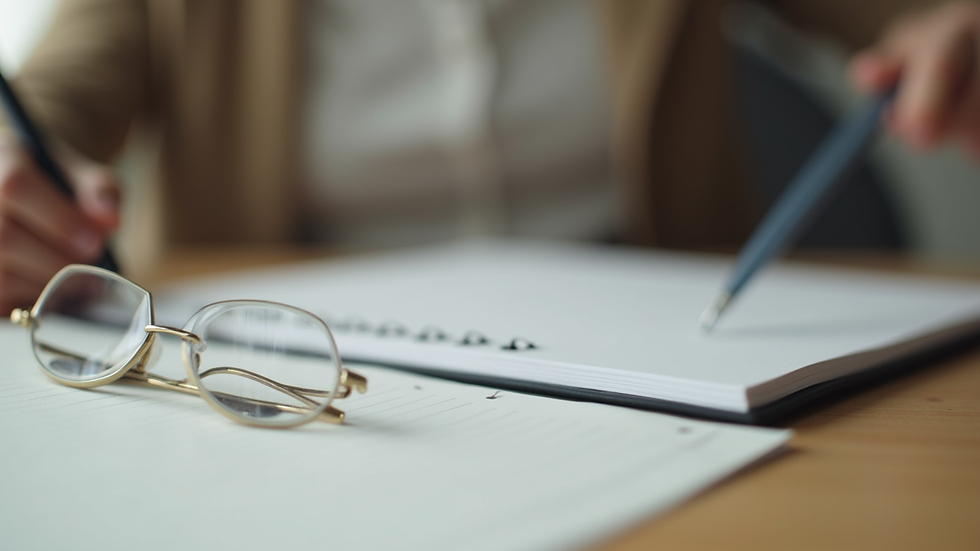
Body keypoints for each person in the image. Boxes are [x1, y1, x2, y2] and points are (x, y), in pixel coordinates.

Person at [0, 0, 977, 316]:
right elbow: (54, 91)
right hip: (283, 335)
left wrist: (949, 30)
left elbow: (914, 14)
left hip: (658, 319)